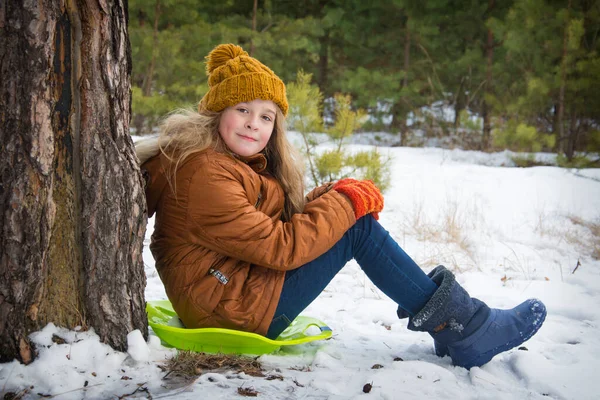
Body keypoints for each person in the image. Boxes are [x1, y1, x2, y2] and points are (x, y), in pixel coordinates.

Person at [136, 43, 546, 370]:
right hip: (230, 309)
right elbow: (279, 247)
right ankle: (465, 328)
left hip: (230, 292)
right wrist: (346, 205)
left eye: (266, 117)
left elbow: (267, 226)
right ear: (216, 114)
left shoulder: (225, 163)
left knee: (353, 220)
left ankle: (453, 324)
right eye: (242, 110)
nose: (253, 124)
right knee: (357, 227)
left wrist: (331, 196)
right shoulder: (205, 173)